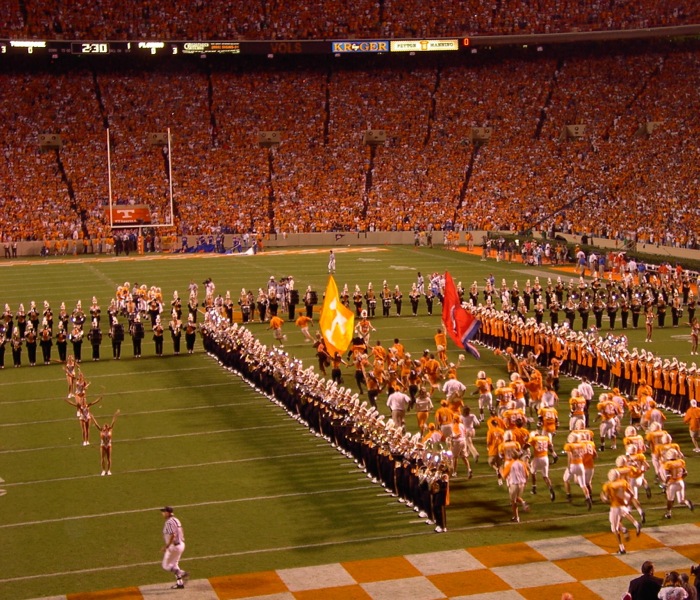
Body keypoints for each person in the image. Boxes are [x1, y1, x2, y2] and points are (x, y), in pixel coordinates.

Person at [160, 506, 189, 589]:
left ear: (167, 513)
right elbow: (180, 530)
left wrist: (167, 546)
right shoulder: (176, 520)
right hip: (181, 545)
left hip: (174, 547)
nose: (162, 514)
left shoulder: (169, 522)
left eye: (164, 512)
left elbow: (173, 534)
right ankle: (180, 583)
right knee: (175, 564)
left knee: (165, 566)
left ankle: (183, 573)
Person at [92, 410, 119, 475]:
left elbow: (113, 423)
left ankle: (109, 470)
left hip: (109, 445)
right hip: (103, 445)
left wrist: (115, 416)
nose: (106, 427)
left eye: (106, 426)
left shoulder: (110, 430)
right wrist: (92, 418)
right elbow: (96, 425)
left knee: (109, 458)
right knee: (102, 458)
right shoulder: (101, 431)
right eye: (105, 426)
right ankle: (103, 470)